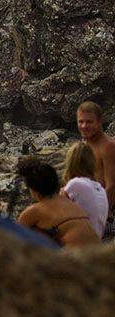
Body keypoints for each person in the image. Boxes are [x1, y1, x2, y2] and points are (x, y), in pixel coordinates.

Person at [16, 156, 100, 248]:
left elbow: (13, 240)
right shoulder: (70, 203)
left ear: (32, 189)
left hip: (77, 258)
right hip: (98, 255)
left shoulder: (34, 211)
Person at [76, 101, 115, 236]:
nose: (84, 126)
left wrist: (101, 217)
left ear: (99, 122)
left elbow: (111, 185)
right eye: (81, 122)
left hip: (105, 215)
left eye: (89, 122)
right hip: (87, 210)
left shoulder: (108, 146)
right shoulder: (84, 144)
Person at [61, 142, 108, 238]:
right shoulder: (100, 189)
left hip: (79, 243)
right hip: (96, 241)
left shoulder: (76, 184)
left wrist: (61, 195)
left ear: (70, 162)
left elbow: (56, 212)